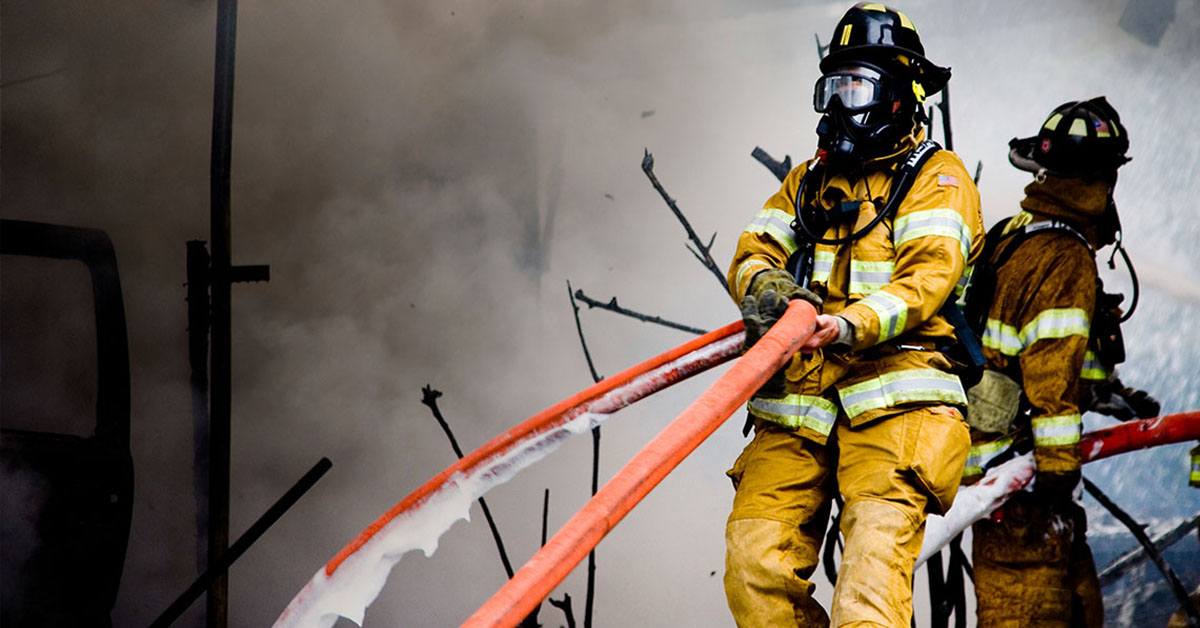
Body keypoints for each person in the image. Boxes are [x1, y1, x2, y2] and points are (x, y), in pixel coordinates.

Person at [723, 3, 984, 626]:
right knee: (752, 571)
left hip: (897, 410)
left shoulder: (938, 180)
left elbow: (925, 280)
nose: (839, 106)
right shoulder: (809, 183)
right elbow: (755, 248)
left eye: (857, 87)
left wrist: (844, 324)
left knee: (867, 598)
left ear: (899, 97)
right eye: (832, 87)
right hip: (800, 410)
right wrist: (767, 289)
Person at [961, 96, 1160, 627]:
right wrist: (1054, 471)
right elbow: (1048, 372)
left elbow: (1023, 344)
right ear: (1100, 181)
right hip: (1017, 484)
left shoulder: (1014, 233)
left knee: (1076, 609)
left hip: (994, 465)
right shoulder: (1064, 257)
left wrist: (1101, 390)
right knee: (1033, 616)